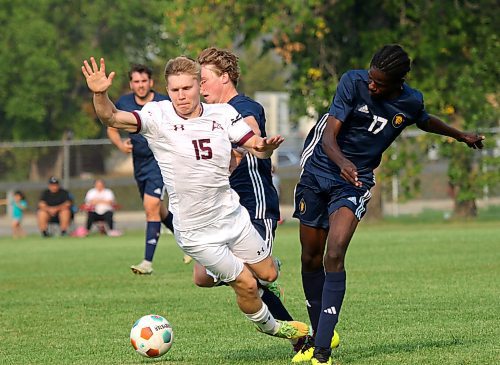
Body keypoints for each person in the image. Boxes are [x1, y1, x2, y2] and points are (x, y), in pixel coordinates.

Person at [82, 55, 310, 341]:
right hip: (196, 232)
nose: (180, 96)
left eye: (187, 89)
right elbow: (111, 117)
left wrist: (263, 147)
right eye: (174, 90)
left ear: (197, 86)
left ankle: (263, 286)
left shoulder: (223, 114)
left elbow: (255, 146)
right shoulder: (157, 116)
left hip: (232, 216)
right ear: (168, 89)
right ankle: (274, 327)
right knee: (247, 284)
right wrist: (100, 93)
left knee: (269, 274)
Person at [292, 44, 485, 365]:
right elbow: (328, 138)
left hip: (355, 181)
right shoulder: (351, 83)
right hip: (320, 172)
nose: (372, 85)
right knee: (310, 258)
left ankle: (322, 351)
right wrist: (342, 163)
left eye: (379, 83)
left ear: (397, 83)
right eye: (371, 78)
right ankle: (319, 333)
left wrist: (459, 135)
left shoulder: (410, 100)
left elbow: (423, 120)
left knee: (335, 253)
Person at [196, 46, 301, 340]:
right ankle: (265, 264)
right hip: (220, 209)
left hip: (252, 203)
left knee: (253, 281)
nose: (199, 87)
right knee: (201, 277)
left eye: (204, 80)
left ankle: (301, 339)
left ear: (225, 77)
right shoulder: (207, 114)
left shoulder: (244, 107)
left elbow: (250, 130)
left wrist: (245, 147)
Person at [106, 64, 177, 274]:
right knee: (159, 211)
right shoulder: (124, 102)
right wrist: (120, 144)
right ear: (131, 84)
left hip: (160, 161)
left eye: (144, 81)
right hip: (140, 163)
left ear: (151, 82)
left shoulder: (164, 102)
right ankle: (190, 242)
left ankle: (147, 263)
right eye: (136, 82)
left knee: (151, 207)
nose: (140, 85)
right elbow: (112, 126)